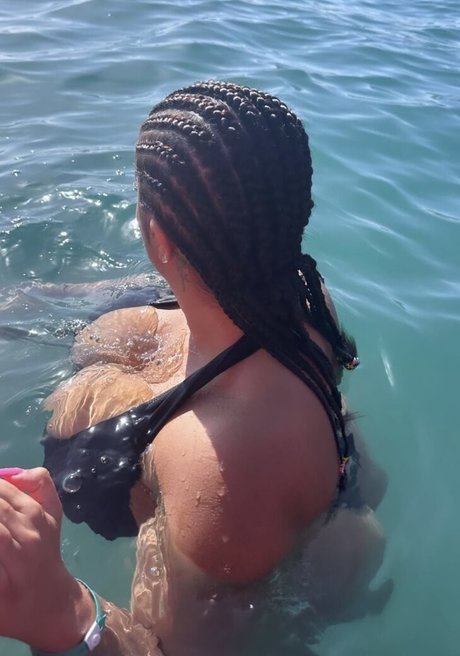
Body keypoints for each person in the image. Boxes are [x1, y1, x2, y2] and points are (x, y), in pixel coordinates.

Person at [0, 81, 389, 656]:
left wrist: (55, 606)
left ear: (155, 235)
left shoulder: (217, 475)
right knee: (97, 336)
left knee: (82, 389)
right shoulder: (304, 295)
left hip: (254, 507)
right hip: (284, 443)